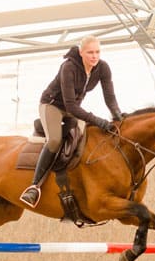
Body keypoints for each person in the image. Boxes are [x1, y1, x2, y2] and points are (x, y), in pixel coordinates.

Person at [19, 35, 122, 208]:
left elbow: (110, 98)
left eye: (97, 52)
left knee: (85, 136)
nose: (94, 56)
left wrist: (118, 116)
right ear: (81, 52)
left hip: (72, 109)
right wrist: (98, 120)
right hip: (52, 106)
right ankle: (34, 186)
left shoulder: (103, 68)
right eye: (90, 52)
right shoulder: (68, 67)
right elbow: (71, 107)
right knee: (54, 140)